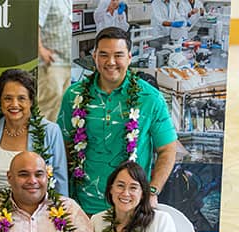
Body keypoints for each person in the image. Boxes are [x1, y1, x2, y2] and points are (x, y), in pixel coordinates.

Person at [57, 27, 177, 215]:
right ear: (94, 56)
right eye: (103, 55)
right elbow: (63, 147)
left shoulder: (150, 98)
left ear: (129, 57)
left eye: (118, 55)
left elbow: (167, 149)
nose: (111, 62)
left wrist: (152, 191)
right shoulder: (73, 96)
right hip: (82, 207)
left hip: (130, 207)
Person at [0, 69, 68, 202]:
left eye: (21, 98)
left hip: (38, 211)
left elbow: (60, 182)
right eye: (8, 98)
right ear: (0, 101)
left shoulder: (50, 131)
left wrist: (59, 217)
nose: (14, 104)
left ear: (31, 101)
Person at [91, 161, 183, 232]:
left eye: (133, 188)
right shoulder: (97, 221)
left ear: (143, 194)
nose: (126, 193)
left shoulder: (160, 221)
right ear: (111, 189)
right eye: (120, 185)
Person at [37, 0, 71, 122]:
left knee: (63, 107)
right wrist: (41, 50)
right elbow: (34, 24)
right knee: (48, 107)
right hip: (53, 62)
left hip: (68, 62)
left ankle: (57, 140)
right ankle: (43, 140)